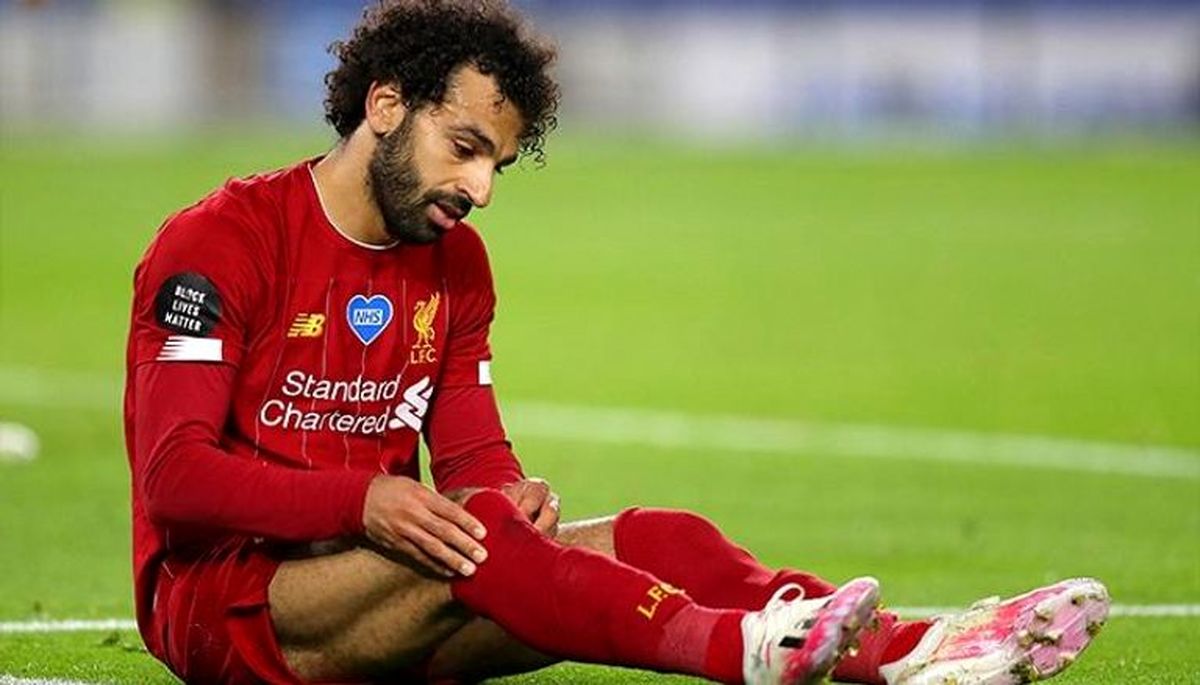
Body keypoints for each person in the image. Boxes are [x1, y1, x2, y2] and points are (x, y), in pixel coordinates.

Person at [123, 1, 1110, 683]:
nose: (481, 189)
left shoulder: (457, 264)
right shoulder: (220, 244)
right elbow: (175, 478)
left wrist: (509, 490)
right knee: (490, 536)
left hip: (395, 582)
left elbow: (471, 454)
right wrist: (368, 499)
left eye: (499, 164)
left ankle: (922, 649)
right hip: (232, 610)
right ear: (385, 106)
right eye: (464, 149)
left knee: (660, 536)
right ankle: (742, 650)